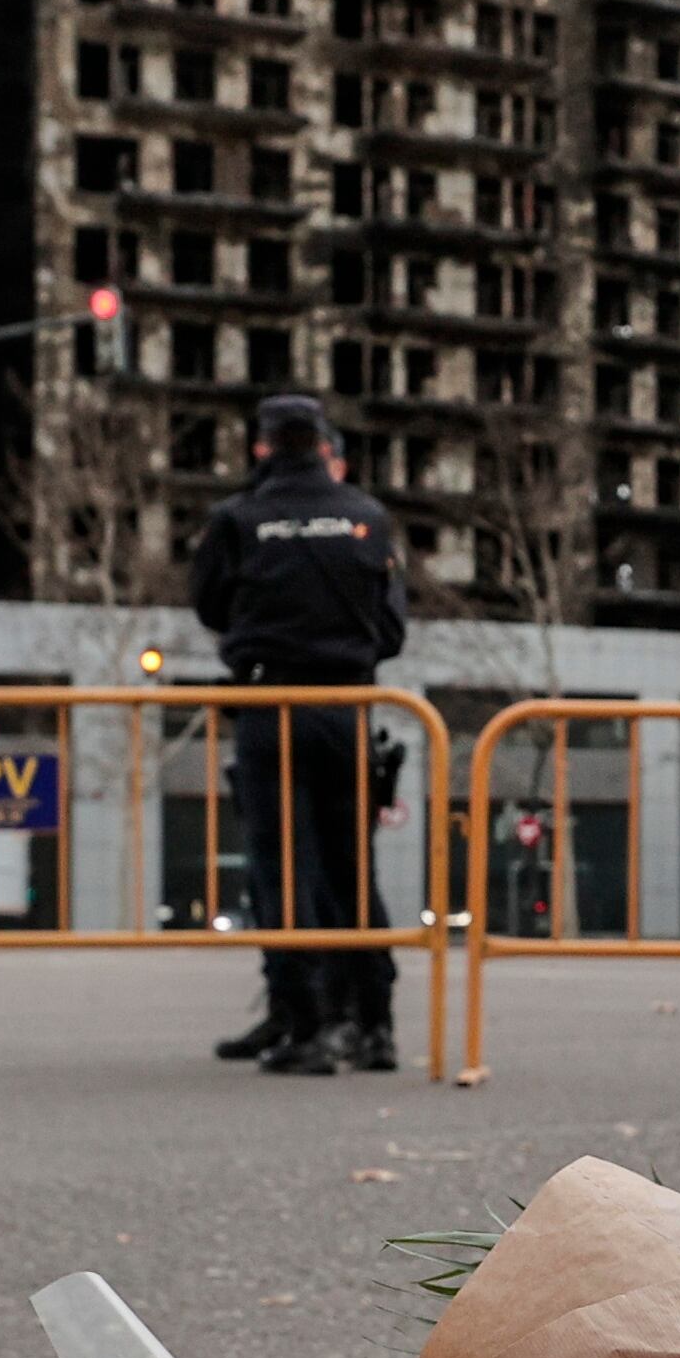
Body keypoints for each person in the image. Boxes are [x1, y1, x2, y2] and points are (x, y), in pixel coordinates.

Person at [188, 394, 410, 1074]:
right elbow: (392, 627)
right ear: (321, 444)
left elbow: (208, 605)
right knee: (351, 872)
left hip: (272, 702)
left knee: (283, 871)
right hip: (348, 708)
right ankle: (373, 1027)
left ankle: (306, 1026)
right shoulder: (368, 518)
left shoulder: (237, 518)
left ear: (261, 447)